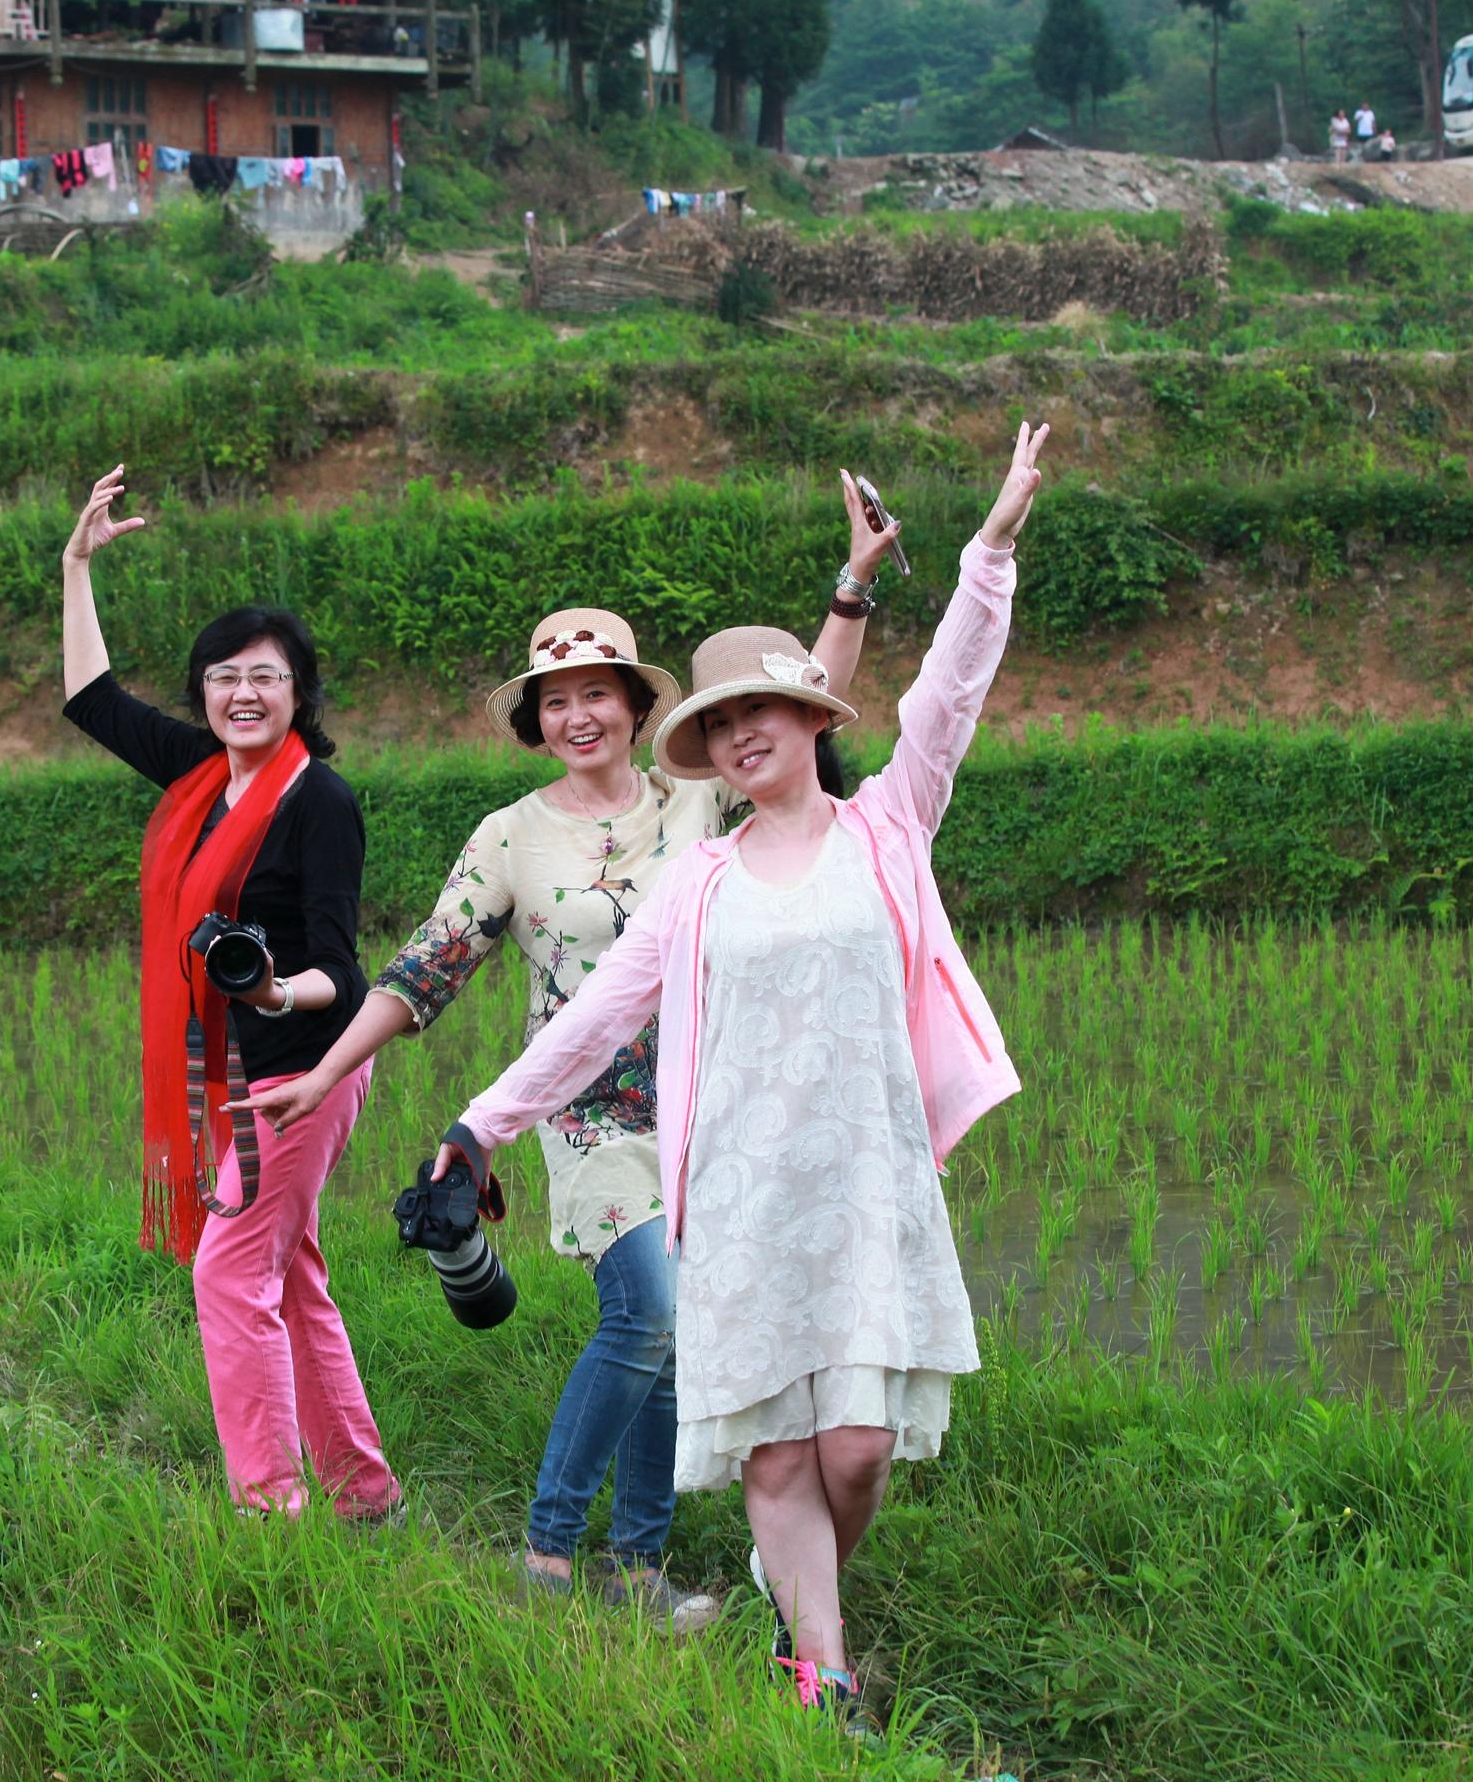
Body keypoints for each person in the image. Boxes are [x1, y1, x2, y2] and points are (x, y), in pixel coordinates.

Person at [425, 423, 1052, 1722]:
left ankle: (793, 1593)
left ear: (813, 718)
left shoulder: (890, 827)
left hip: (868, 1183)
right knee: (776, 1453)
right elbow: (595, 1016)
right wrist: (484, 1126)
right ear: (707, 750)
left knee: (858, 1450)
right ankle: (823, 1676)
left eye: (764, 708)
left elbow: (949, 694)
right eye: (721, 723)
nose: (745, 733)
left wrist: (988, 551)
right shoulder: (696, 881)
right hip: (738, 1192)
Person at [255, 472, 901, 1630]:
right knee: (644, 1309)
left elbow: (798, 708)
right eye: (556, 700)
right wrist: (324, 1072)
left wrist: (851, 586)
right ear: (536, 720)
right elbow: (426, 966)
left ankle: (638, 1569)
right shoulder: (510, 836)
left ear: (634, 704)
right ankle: (550, 1548)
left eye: (598, 691)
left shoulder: (696, 802)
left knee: (677, 1333)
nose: (578, 715)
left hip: (712, 1106)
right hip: (589, 1114)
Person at [59, 463, 400, 1523]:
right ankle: (362, 1492)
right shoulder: (205, 776)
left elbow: (343, 971)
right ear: (204, 693)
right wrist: (76, 568)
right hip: (236, 1075)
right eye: (222, 678)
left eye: (264, 677)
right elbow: (91, 701)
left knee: (228, 1275)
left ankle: (269, 1506)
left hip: (299, 1072)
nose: (242, 695)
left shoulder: (318, 801)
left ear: (299, 693)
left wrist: (272, 993)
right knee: (288, 1277)